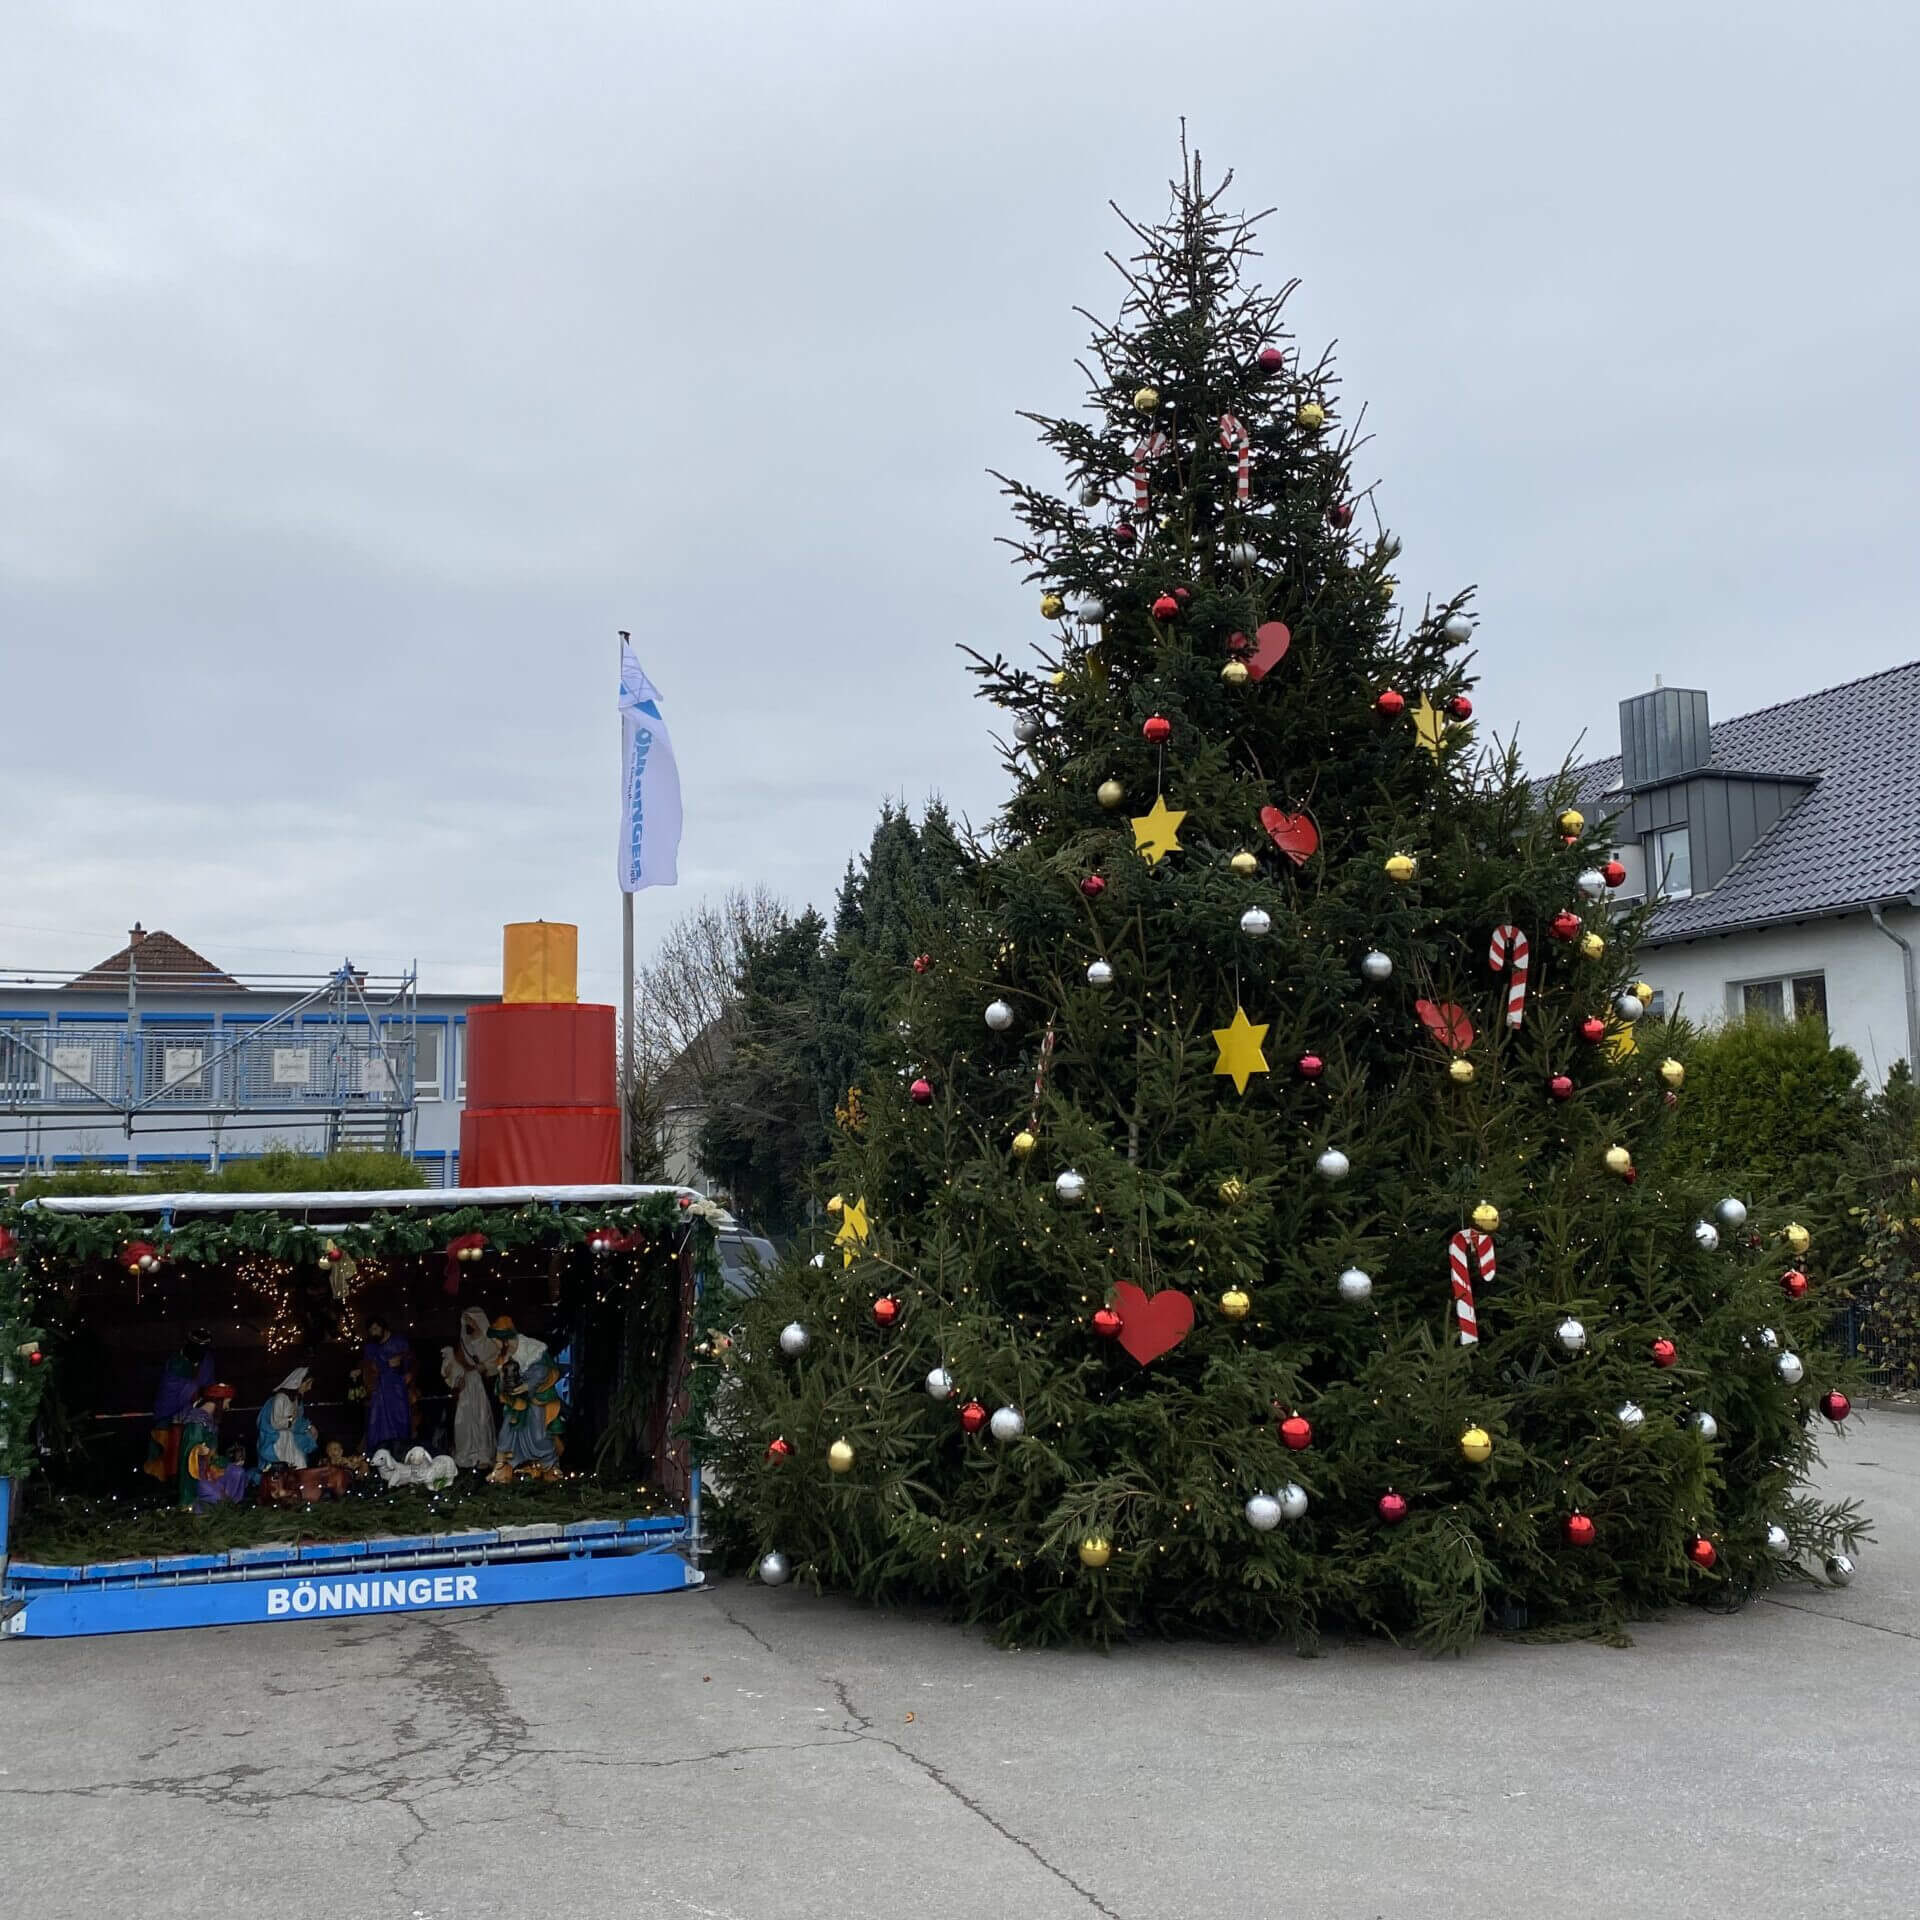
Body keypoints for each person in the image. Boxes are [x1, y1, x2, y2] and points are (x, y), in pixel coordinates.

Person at [488, 1316, 567, 1483]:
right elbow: (501, 1383)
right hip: (516, 1404)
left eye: (495, 1341)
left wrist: (526, 1386)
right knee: (505, 1434)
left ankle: (551, 1467)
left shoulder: (533, 1350)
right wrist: (504, 1382)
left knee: (539, 1435)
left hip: (535, 1400)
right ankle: (502, 1469)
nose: (494, 1345)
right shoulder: (504, 1357)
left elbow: (543, 1372)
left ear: (505, 1340)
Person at [141, 1327, 214, 1486]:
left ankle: (195, 1477)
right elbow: (171, 1390)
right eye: (197, 1347)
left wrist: (205, 1398)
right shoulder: (176, 1363)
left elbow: (207, 1384)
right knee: (170, 1445)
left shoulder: (206, 1361)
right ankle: (169, 1479)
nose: (201, 1351)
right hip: (170, 1411)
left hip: (194, 1412)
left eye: (204, 1348)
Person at [439, 1306, 499, 1470]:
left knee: (482, 1416)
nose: (468, 1324)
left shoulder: (489, 1341)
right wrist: (457, 1378)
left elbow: (497, 1360)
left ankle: (483, 1454)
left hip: (482, 1384)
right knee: (464, 1418)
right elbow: (459, 1363)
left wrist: (484, 1366)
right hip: (468, 1383)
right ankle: (467, 1453)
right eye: (466, 1320)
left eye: (471, 1320)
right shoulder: (464, 1341)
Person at [359, 1317, 416, 1456]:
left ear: (383, 1327)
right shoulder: (371, 1346)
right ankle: (380, 1454)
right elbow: (368, 1367)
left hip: (397, 1388)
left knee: (400, 1419)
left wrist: (408, 1372)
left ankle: (401, 1453)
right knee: (379, 1423)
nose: (374, 1332)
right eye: (371, 1330)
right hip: (380, 1391)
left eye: (376, 1328)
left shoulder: (399, 1342)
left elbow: (411, 1361)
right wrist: (385, 1365)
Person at [176, 1382, 236, 1508]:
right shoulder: (196, 1421)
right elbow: (188, 1452)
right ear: (219, 1401)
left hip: (211, 1469)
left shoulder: (211, 1420)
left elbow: (213, 1453)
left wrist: (220, 1460)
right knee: (218, 1497)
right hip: (197, 1475)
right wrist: (197, 1450)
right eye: (227, 1402)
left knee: (237, 1473)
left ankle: (230, 1506)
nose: (227, 1406)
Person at [256, 1366, 318, 1469]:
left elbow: (297, 1421)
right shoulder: (280, 1398)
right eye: (308, 1383)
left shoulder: (296, 1401)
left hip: (289, 1439)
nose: (309, 1387)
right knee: (285, 1468)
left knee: (300, 1464)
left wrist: (308, 1426)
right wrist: (290, 1419)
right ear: (298, 1382)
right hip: (279, 1440)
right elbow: (276, 1422)